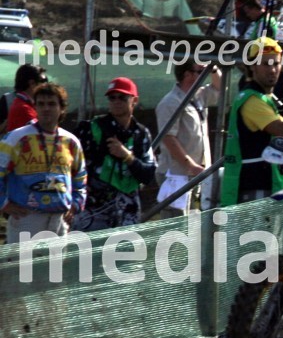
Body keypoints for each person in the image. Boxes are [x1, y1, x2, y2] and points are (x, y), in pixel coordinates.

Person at [220, 36, 283, 206]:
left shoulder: (266, 98)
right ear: (252, 66)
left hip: (271, 187)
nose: (272, 70)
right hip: (256, 190)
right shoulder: (252, 100)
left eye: (276, 64)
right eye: (266, 64)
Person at [0, 83, 86, 244]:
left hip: (59, 220)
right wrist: (3, 204)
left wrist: (75, 204)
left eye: (52, 104)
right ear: (35, 107)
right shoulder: (16, 138)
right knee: (22, 269)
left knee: (55, 269)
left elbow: (80, 178)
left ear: (62, 108)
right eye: (41, 104)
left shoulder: (71, 142)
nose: (46, 108)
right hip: (26, 219)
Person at [72, 77, 156, 231]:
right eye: (112, 97)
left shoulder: (141, 134)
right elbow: (72, 164)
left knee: (125, 255)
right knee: (88, 255)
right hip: (92, 212)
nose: (116, 101)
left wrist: (127, 157)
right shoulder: (90, 129)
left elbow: (149, 174)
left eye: (122, 97)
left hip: (127, 213)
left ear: (134, 100)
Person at [155, 60, 223, 218]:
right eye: (200, 72)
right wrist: (191, 166)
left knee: (192, 224)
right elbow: (168, 138)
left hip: (194, 174)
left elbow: (220, 88)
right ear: (188, 74)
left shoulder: (198, 96)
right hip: (176, 174)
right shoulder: (170, 102)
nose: (203, 76)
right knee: (175, 227)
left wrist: (213, 69)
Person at [4, 64, 48, 133]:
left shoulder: (25, 104)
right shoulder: (23, 108)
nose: (46, 85)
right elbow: (43, 135)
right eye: (43, 81)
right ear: (32, 83)